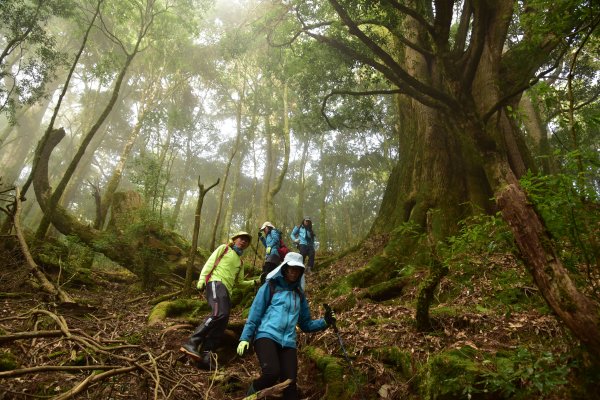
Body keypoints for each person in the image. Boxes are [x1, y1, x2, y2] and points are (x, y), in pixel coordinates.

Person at [236, 252, 336, 399]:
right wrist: (245, 337)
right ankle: (249, 396)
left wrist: (325, 321)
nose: (294, 272)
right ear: (284, 268)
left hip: (288, 342)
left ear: (301, 271)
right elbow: (255, 314)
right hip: (266, 335)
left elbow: (306, 324)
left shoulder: (299, 295)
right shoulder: (270, 286)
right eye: (291, 268)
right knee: (271, 373)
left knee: (290, 384)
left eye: (298, 269)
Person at [180, 231, 257, 369]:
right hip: (216, 283)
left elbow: (240, 282)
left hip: (227, 291)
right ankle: (192, 342)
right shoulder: (224, 249)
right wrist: (202, 279)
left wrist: (255, 282)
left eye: (246, 240)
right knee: (217, 314)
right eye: (241, 239)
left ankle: (206, 354)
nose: (243, 241)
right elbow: (210, 262)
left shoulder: (240, 262)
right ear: (235, 240)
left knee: (222, 322)